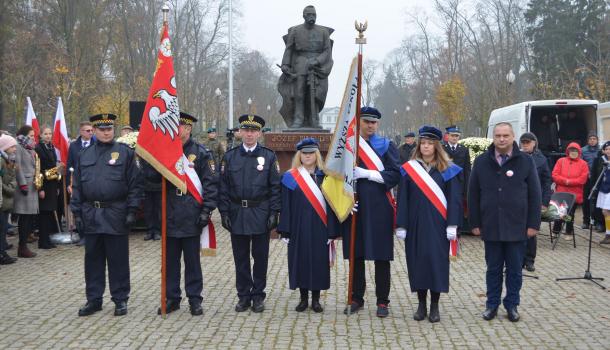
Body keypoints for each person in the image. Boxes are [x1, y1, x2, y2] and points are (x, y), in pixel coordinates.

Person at [144, 112, 218, 316]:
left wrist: (206, 211)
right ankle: (172, 298)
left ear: (188, 128)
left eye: (182, 127)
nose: (178, 130)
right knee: (170, 262)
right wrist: (151, 158)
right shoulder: (165, 151)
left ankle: (195, 299)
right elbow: (149, 180)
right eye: (174, 126)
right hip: (168, 213)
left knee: (192, 262)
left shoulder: (201, 153)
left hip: (192, 214)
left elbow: (211, 184)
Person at [468, 122, 541, 322]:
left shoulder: (525, 161)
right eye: (498, 135)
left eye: (505, 135)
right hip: (491, 225)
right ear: (493, 136)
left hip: (517, 226)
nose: (501, 139)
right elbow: (473, 194)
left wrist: (533, 224)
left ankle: (512, 305)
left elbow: (535, 195)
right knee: (493, 269)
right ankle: (491, 305)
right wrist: (474, 222)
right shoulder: (482, 161)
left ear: (512, 137)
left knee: (515, 270)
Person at [71, 114, 141, 317]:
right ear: (94, 130)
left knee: (118, 260)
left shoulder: (125, 153)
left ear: (113, 130)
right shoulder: (84, 155)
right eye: (101, 129)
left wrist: (131, 211)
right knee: (92, 260)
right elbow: (77, 187)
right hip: (91, 213)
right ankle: (94, 299)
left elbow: (135, 186)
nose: (106, 132)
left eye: (109, 128)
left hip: (115, 213)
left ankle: (120, 299)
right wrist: (77, 214)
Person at [396, 126, 462, 323]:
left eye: (430, 144)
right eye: (423, 143)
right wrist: (402, 225)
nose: (425, 147)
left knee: (436, 263)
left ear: (436, 146)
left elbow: (455, 198)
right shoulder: (409, 169)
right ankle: (421, 304)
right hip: (416, 224)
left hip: (438, 225)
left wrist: (453, 224)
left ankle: (434, 306)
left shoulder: (448, 169)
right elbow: (403, 198)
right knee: (417, 263)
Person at [219, 114, 281, 313]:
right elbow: (223, 187)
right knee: (241, 258)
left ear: (260, 133)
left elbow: (275, 188)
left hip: (260, 212)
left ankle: (258, 296)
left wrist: (274, 212)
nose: (249, 134)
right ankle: (244, 296)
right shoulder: (230, 156)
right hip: (237, 213)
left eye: (253, 130)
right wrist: (224, 212)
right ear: (240, 132)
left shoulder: (269, 156)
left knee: (260, 257)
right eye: (246, 130)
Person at [343, 106, 401, 318]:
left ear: (377, 124)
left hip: (380, 207)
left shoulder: (386, 146)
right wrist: (344, 200)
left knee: (381, 256)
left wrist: (367, 173)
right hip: (355, 207)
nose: (370, 125)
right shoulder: (349, 146)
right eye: (366, 121)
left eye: (373, 122)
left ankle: (382, 301)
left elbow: (395, 174)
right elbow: (335, 174)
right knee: (355, 254)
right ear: (359, 122)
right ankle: (356, 297)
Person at [278, 138, 339, 313]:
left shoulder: (326, 176)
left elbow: (332, 205)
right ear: (299, 155)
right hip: (298, 226)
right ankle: (303, 298)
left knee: (318, 262)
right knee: (301, 261)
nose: (307, 156)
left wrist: (332, 232)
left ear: (316, 154)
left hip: (320, 226)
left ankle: (316, 299)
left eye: (311, 153)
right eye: (304, 153)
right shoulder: (290, 177)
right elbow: (286, 205)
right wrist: (285, 231)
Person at [279, 5, 333, 128]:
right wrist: (285, 64)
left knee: (315, 93)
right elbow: (289, 49)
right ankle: (298, 119)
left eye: (314, 15)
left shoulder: (323, 32)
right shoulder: (296, 30)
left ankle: (314, 119)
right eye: (309, 15)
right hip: (300, 63)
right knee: (299, 93)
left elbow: (327, 51)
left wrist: (317, 61)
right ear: (304, 16)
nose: (312, 17)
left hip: (318, 66)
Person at [519, 133, 552, 272]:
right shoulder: (517, 157)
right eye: (523, 142)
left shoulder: (541, 159)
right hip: (519, 200)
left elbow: (547, 182)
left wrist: (544, 202)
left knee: (531, 232)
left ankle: (530, 260)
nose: (525, 145)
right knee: (518, 231)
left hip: (534, 201)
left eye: (528, 142)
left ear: (534, 143)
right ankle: (518, 259)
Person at [552, 142, 589, 240]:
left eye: (575, 150)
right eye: (571, 150)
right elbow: (555, 175)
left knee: (570, 213)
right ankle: (556, 231)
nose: (573, 152)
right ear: (568, 151)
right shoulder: (561, 161)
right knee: (559, 212)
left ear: (579, 152)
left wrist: (569, 182)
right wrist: (565, 181)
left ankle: (568, 232)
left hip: (574, 194)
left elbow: (582, 179)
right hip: (561, 192)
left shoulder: (583, 164)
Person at [67, 121, 95, 246]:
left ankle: (93, 235)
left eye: (91, 130)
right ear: (81, 132)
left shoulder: (96, 144)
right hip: (78, 182)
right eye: (87, 130)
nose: (90, 133)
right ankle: (82, 235)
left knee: (92, 209)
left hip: (93, 182)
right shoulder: (73, 146)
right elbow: (69, 165)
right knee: (79, 210)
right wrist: (69, 183)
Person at [35, 126, 62, 249]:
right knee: (44, 214)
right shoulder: (38, 149)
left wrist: (57, 184)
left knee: (50, 212)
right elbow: (39, 171)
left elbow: (53, 167)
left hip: (52, 184)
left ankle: (47, 239)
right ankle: (42, 241)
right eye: (45, 133)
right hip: (44, 185)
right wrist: (40, 188)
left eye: (50, 133)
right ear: (40, 135)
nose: (48, 136)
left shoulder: (51, 148)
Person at [14, 125, 39, 258]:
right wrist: (23, 184)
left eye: (33, 135)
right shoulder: (18, 146)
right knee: (24, 218)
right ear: (23, 135)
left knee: (29, 217)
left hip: (32, 185)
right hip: (24, 187)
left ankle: (24, 245)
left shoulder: (29, 147)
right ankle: (22, 247)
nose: (32, 137)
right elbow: (17, 166)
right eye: (30, 135)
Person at [443, 126, 471, 231]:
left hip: (460, 182)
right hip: (445, 180)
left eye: (456, 136)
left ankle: (458, 227)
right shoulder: (442, 148)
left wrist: (467, 184)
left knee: (457, 204)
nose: (454, 138)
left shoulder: (464, 149)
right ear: (447, 136)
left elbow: (467, 168)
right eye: (452, 135)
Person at [0, 134, 18, 264]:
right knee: (1, 229)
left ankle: (3, 251)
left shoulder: (8, 159)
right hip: (3, 198)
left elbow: (11, 177)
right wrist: (10, 188)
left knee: (3, 229)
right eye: (12, 146)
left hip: (6, 199)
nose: (15, 149)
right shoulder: (2, 161)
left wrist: (12, 184)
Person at [581, 131, 603, 231]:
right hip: (586, 179)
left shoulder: (601, 150)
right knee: (586, 200)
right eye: (590, 139)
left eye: (594, 139)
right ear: (588, 140)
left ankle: (598, 222)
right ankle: (586, 221)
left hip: (598, 179)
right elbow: (580, 164)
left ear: (597, 140)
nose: (592, 141)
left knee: (598, 200)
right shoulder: (583, 150)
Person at [594, 141, 610, 245]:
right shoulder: (602, 161)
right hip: (603, 188)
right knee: (605, 212)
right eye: (607, 149)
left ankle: (608, 234)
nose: (609, 151)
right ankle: (608, 234)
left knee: (606, 211)